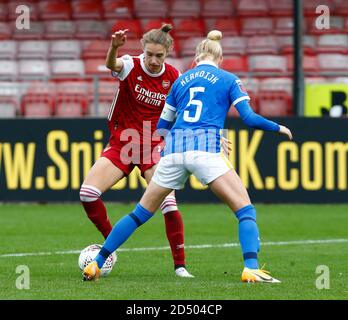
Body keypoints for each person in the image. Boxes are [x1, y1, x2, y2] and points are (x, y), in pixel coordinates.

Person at [82, 30, 293, 283]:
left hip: (172, 150)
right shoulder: (228, 79)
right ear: (220, 57)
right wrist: (278, 128)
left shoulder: (181, 81)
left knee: (139, 213)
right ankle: (251, 267)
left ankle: (97, 263)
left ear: (196, 56)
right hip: (203, 148)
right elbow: (248, 118)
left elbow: (163, 125)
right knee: (245, 210)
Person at [79, 24, 193, 277]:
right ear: (143, 50)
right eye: (149, 54)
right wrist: (114, 48)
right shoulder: (130, 64)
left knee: (169, 204)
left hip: (154, 147)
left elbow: (185, 111)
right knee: (87, 193)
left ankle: (180, 266)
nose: (153, 60)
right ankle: (111, 242)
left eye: (159, 55)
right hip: (123, 143)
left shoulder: (174, 77)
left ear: (167, 53)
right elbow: (112, 65)